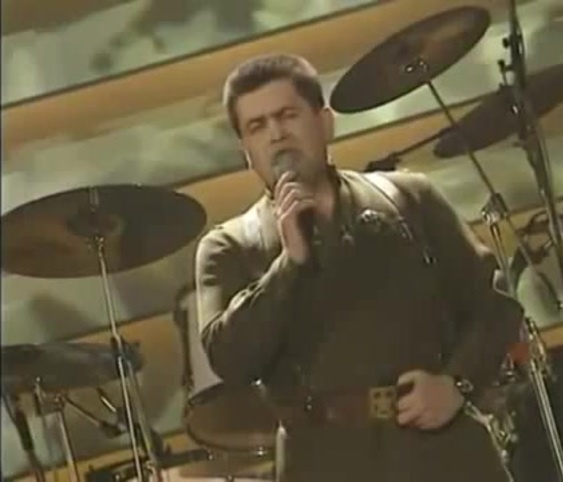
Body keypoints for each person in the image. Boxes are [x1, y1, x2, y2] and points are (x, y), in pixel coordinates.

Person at [195, 53, 524, 482]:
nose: (276, 134)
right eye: (257, 126)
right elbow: (230, 359)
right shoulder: (229, 245)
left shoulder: (409, 197)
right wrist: (290, 264)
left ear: (324, 123)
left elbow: (494, 305)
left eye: (288, 115)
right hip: (322, 463)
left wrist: (457, 384)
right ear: (246, 153)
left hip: (443, 450)